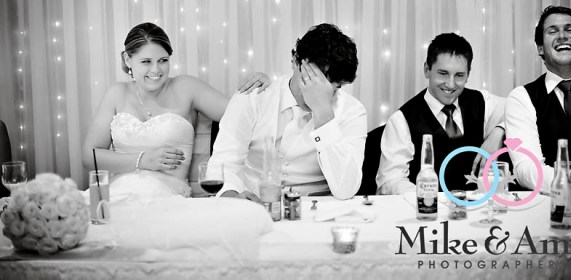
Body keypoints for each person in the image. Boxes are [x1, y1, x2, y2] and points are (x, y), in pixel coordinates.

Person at [82, 22, 270, 198]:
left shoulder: (186, 88)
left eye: (163, 60)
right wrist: (143, 160)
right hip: (117, 194)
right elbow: (89, 157)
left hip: (166, 196)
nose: (156, 70)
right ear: (127, 59)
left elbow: (244, 115)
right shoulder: (117, 93)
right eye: (146, 61)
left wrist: (264, 89)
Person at [207, 23, 367, 201]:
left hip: (318, 208)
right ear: (296, 61)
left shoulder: (352, 111)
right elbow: (223, 163)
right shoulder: (253, 97)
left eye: (334, 88)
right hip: (255, 203)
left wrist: (323, 113)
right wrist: (232, 197)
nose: (322, 91)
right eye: (314, 79)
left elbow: (346, 189)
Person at [376, 33, 505, 194]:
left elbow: (517, 109)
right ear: (427, 70)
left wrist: (499, 131)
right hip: (429, 206)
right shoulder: (401, 120)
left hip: (477, 205)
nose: (451, 84)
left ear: (468, 75)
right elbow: (389, 181)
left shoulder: (482, 100)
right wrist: (428, 195)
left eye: (459, 75)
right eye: (443, 73)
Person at [505, 5, 571, 207]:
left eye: (570, 29)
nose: (562, 36)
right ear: (540, 48)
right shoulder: (522, 98)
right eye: (552, 31)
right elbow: (525, 168)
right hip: (549, 213)